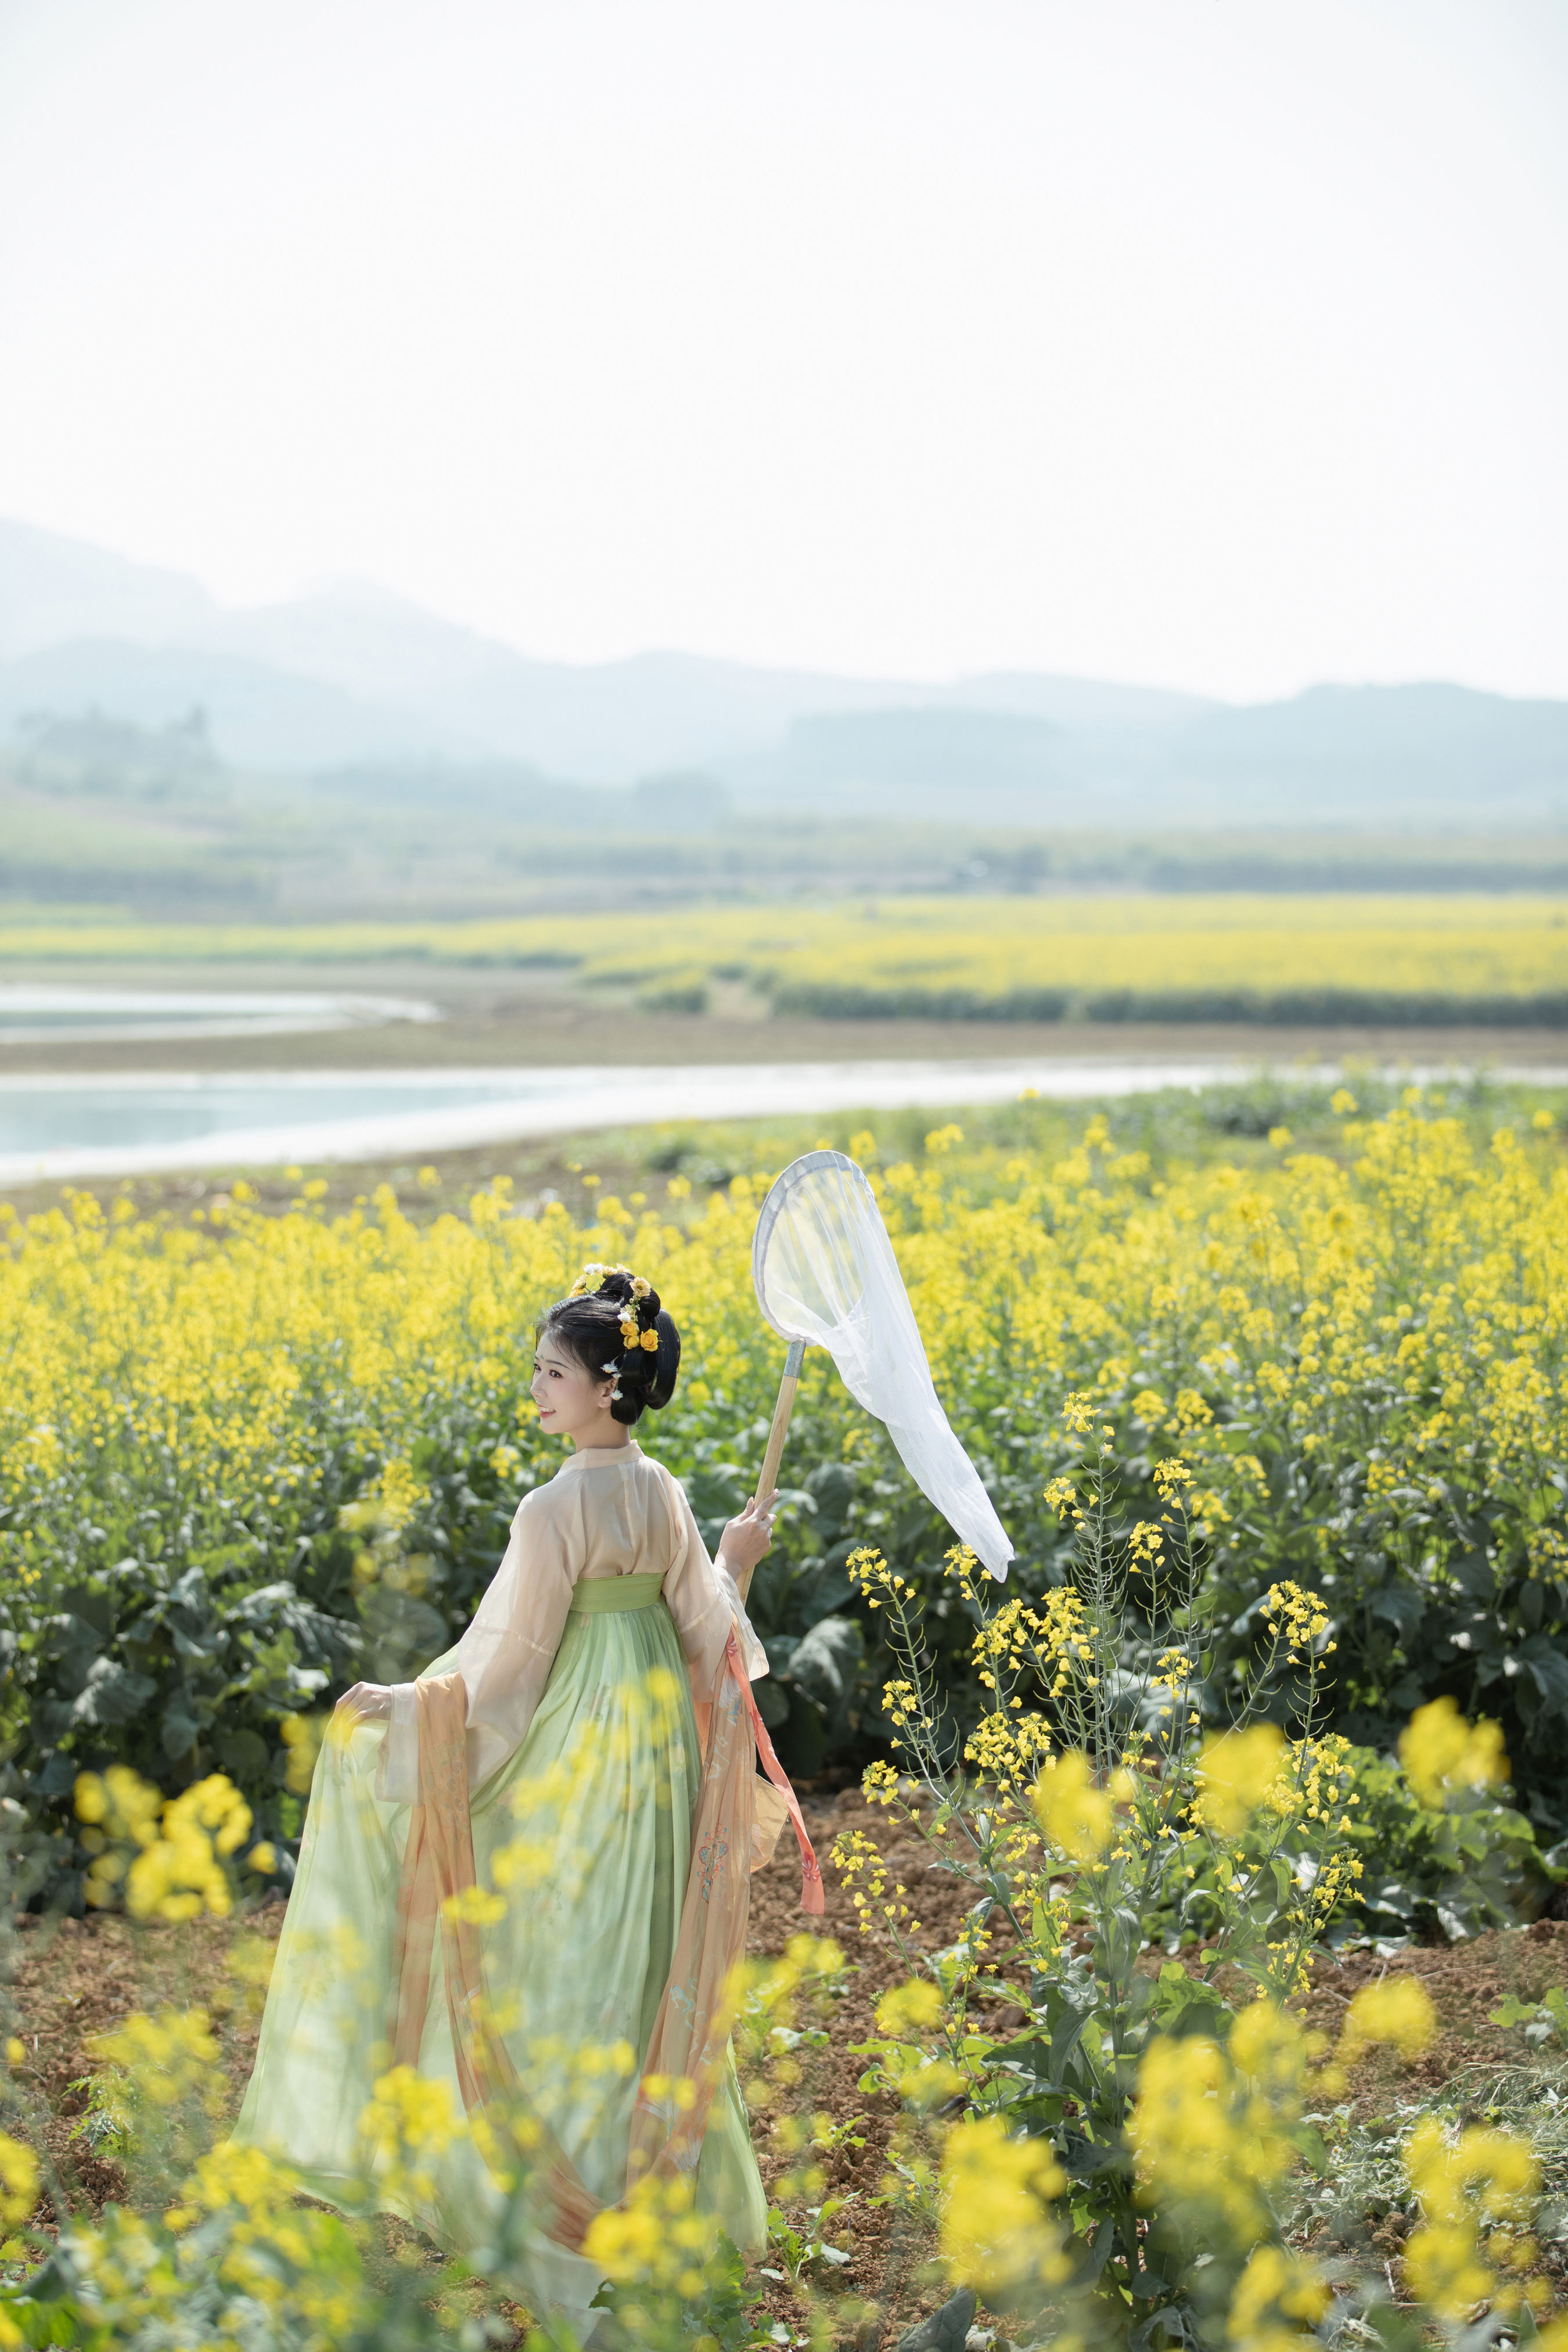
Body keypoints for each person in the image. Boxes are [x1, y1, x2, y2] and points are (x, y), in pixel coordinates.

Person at [230, 1262, 820, 2330]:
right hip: (659, 1766)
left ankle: (560, 2231)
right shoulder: (664, 1492)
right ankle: (656, 2211)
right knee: (640, 1964)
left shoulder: (554, 1509)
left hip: (584, 1757)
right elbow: (707, 1639)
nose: (536, 1390)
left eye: (551, 1372)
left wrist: (409, 1707)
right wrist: (736, 1557)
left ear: (608, 1385)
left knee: (553, 1956)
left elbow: (509, 1668)